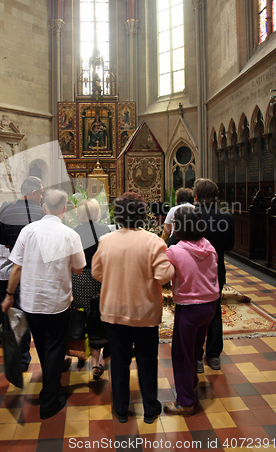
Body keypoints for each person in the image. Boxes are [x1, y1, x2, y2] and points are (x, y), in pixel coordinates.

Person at [1, 190, 86, 420]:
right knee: (55, 346)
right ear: (64, 209)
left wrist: (9, 295)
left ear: (45, 208)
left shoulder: (29, 231)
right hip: (57, 300)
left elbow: (16, 267)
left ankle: (51, 383)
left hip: (30, 300)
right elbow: (79, 268)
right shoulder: (70, 234)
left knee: (42, 344)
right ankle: (49, 400)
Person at [91, 192, 175, 424]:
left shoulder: (106, 241)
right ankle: (149, 409)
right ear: (142, 215)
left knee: (119, 362)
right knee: (147, 360)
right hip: (145, 313)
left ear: (118, 216)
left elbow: (97, 272)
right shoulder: (153, 241)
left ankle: (120, 409)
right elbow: (163, 276)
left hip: (114, 311)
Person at [164, 206, 219, 416]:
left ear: (178, 228)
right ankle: (191, 383)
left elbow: (163, 275)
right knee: (195, 350)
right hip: (210, 305)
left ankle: (185, 402)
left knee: (181, 354)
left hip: (189, 308)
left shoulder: (175, 251)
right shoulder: (209, 246)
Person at [0, 176, 45, 371]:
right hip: (37, 274)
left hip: (16, 273)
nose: (42, 196)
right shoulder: (41, 213)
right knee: (40, 320)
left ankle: (23, 360)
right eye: (41, 193)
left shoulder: (7, 212)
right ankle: (47, 363)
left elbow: (6, 243)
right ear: (33, 193)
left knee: (20, 318)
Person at [193, 178, 235, 372]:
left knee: (193, 312)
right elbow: (229, 246)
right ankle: (214, 355)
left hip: (192, 271)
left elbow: (176, 241)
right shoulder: (226, 218)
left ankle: (197, 358)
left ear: (197, 196)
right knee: (215, 311)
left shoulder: (190, 216)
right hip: (216, 271)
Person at [72, 199, 110, 379]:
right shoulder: (104, 230)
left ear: (79, 214)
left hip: (80, 278)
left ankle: (80, 354)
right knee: (97, 317)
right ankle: (96, 362)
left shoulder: (74, 232)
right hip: (99, 278)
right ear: (96, 213)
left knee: (81, 316)